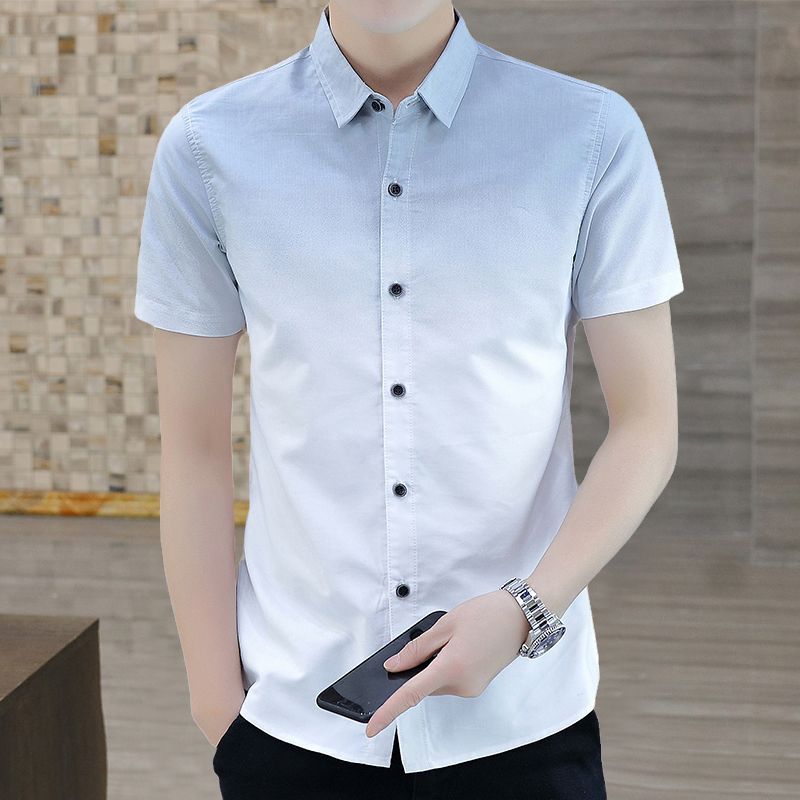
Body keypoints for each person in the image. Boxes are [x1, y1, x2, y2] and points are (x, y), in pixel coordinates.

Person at [134, 1, 683, 797]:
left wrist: (525, 612)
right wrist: (218, 705)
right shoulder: (207, 149)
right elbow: (193, 451)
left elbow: (647, 427)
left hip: (521, 713)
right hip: (291, 717)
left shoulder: (590, 135)